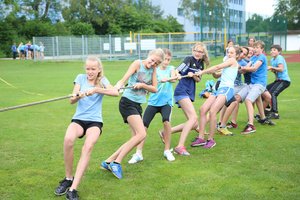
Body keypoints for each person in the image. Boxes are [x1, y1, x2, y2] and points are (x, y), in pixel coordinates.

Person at [54, 56, 119, 200]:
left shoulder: (102, 80)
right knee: (68, 140)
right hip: (79, 119)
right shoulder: (80, 78)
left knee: (88, 147)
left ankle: (73, 188)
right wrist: (78, 96)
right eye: (88, 68)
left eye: (93, 69)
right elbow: (71, 100)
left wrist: (96, 89)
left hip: (95, 121)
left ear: (99, 69)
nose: (90, 71)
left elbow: (115, 92)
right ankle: (68, 178)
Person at [100, 48, 165, 179]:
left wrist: (142, 85)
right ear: (149, 55)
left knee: (136, 137)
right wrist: (118, 86)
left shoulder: (153, 70)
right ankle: (116, 163)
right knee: (141, 134)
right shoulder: (137, 63)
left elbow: (155, 88)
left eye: (157, 63)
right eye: (152, 60)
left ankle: (108, 161)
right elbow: (123, 79)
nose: (153, 64)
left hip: (137, 105)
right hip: (127, 102)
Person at [128, 48, 176, 164]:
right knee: (143, 126)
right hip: (153, 102)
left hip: (166, 102)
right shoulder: (154, 70)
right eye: (165, 60)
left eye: (168, 60)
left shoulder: (171, 69)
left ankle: (167, 150)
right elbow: (147, 83)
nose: (166, 62)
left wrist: (168, 79)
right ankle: (138, 153)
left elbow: (174, 78)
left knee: (166, 122)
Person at [191, 46, 240, 148]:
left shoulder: (232, 61)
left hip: (227, 89)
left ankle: (211, 140)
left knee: (213, 111)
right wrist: (212, 72)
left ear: (236, 55)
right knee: (203, 109)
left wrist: (202, 72)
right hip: (219, 89)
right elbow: (217, 75)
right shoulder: (228, 64)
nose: (229, 54)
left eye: (232, 53)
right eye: (228, 52)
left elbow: (217, 67)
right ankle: (201, 138)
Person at [170, 42, 210, 156]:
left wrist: (195, 75)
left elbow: (199, 80)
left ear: (203, 53)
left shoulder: (201, 64)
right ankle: (179, 146)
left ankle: (166, 132)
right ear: (193, 51)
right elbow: (178, 70)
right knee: (193, 118)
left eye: (200, 52)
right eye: (196, 51)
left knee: (193, 124)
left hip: (189, 93)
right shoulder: (188, 59)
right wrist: (177, 74)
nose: (198, 53)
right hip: (181, 91)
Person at [238, 40, 269, 134]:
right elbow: (245, 69)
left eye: (257, 48)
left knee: (248, 100)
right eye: (254, 47)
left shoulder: (262, 57)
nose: (255, 49)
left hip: (259, 84)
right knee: (237, 98)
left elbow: (254, 68)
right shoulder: (253, 58)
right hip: (252, 84)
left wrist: (243, 68)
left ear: (262, 49)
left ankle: (251, 125)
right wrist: (236, 67)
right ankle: (263, 118)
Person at [262, 44, 291, 119]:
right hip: (278, 80)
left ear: (279, 51)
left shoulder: (279, 57)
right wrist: (273, 70)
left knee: (273, 93)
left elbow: (281, 69)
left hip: (284, 81)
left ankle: (275, 113)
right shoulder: (272, 60)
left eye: (274, 50)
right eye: (271, 50)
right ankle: (267, 109)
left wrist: (271, 67)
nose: (272, 51)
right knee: (264, 91)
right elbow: (276, 71)